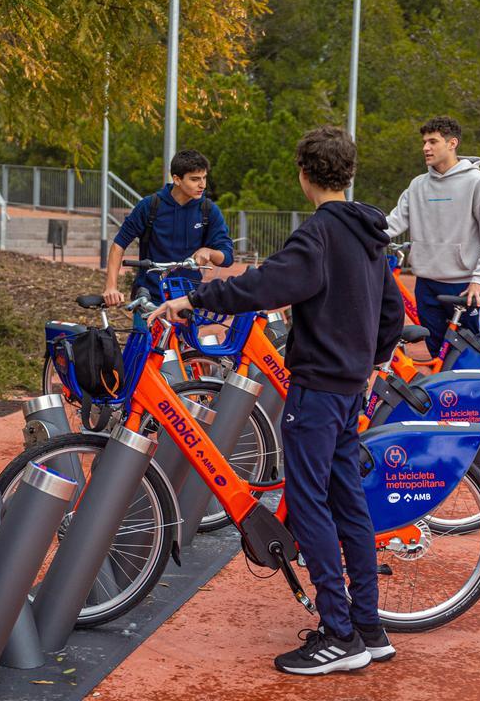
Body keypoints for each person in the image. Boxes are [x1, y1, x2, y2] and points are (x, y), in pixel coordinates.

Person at [150, 126, 403, 675]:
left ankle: (339, 634)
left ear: (303, 174)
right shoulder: (371, 235)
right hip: (349, 386)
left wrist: (195, 298)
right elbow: (391, 315)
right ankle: (368, 625)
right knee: (348, 505)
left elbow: (265, 285)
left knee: (309, 504)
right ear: (348, 173)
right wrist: (369, 360)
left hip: (316, 387)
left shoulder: (318, 234)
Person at [385, 116, 480, 357]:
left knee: (471, 353)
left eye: (433, 142)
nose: (425, 148)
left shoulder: (476, 182)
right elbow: (393, 223)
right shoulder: (417, 185)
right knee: (438, 353)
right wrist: (355, 230)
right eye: (424, 142)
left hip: (463, 285)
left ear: (452, 143)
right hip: (426, 284)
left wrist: (479, 279)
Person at [102, 149, 233, 305]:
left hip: (188, 299)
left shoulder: (208, 210)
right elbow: (119, 245)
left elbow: (227, 257)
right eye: (195, 179)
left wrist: (210, 252)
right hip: (149, 297)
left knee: (187, 330)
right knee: (144, 331)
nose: (202, 185)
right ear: (177, 179)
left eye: (204, 178)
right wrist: (111, 287)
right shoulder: (150, 206)